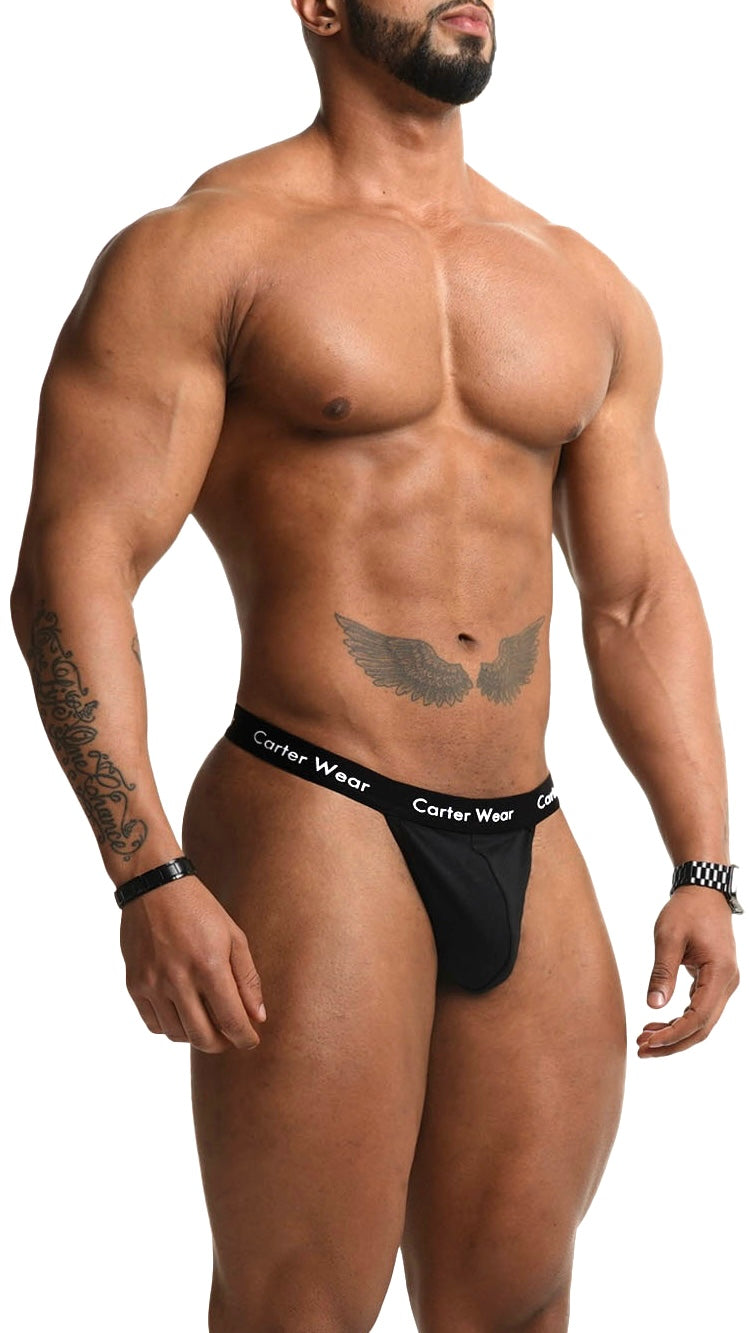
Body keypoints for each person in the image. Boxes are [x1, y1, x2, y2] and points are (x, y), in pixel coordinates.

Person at [9, 2, 742, 1330]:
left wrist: (704, 864)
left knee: (516, 1303)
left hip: (530, 824)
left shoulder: (579, 281)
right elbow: (77, 565)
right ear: (321, 6)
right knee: (300, 1310)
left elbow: (637, 595)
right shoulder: (209, 249)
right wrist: (146, 869)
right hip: (316, 801)